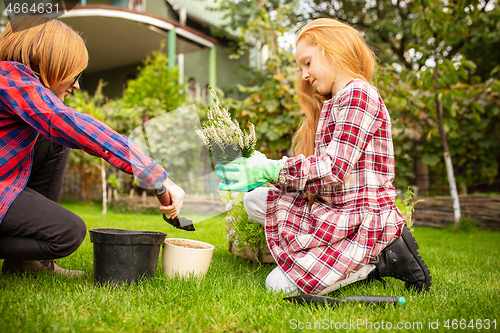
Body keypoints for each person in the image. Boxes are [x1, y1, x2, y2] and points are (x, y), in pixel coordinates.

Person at [217, 18, 431, 295]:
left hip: (361, 219)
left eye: (307, 62)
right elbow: (319, 178)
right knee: (254, 201)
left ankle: (378, 257)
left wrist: (271, 169)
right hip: (334, 211)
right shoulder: (334, 102)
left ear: (333, 50)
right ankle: (331, 256)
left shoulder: (359, 94)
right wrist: (264, 172)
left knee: (278, 287)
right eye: (300, 67)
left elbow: (332, 169)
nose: (304, 74)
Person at [0, 16, 185, 277]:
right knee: (67, 233)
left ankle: (28, 264)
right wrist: (154, 174)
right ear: (47, 61)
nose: (76, 85)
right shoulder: (10, 79)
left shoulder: (17, 86)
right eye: (73, 74)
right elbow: (69, 123)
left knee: (54, 141)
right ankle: (32, 259)